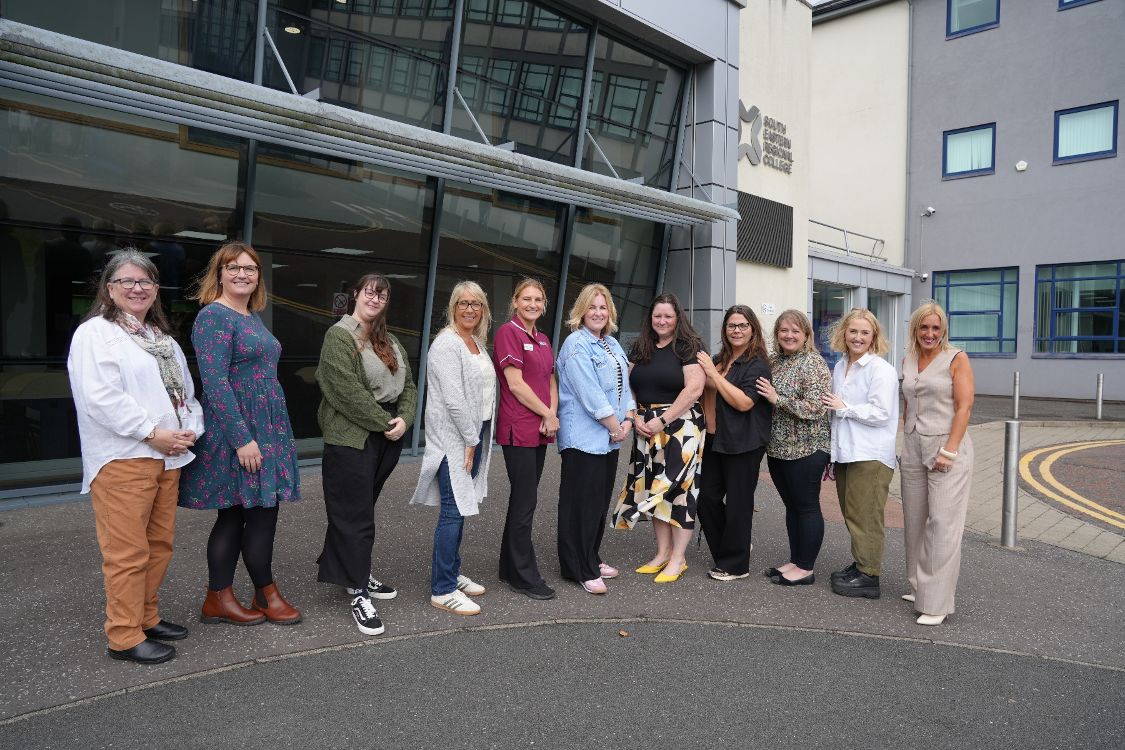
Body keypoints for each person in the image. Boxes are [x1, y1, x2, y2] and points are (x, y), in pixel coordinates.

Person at [68, 249, 204, 664]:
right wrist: (152, 433)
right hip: (124, 458)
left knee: (158, 545)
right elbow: (100, 398)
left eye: (145, 281)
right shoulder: (95, 333)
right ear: (108, 289)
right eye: (126, 281)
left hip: (167, 458)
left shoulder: (159, 340)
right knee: (127, 553)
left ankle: (146, 615)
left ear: (156, 289)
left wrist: (189, 430)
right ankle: (124, 635)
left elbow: (187, 396)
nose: (137, 288)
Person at [180, 242, 301, 626]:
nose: (242, 274)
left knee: (242, 515)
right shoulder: (214, 317)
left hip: (266, 428)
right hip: (241, 433)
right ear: (219, 274)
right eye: (233, 268)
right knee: (252, 515)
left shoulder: (249, 316)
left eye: (250, 269)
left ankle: (221, 598)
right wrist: (242, 438)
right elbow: (214, 385)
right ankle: (262, 595)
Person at [315, 273, 417, 636]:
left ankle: (352, 571)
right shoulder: (338, 336)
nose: (376, 299)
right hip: (352, 438)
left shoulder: (389, 340)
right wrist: (385, 421)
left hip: (386, 437)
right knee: (354, 516)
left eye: (383, 295)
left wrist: (404, 417)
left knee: (358, 510)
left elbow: (408, 385)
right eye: (370, 292)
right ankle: (358, 591)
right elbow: (345, 391)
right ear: (355, 294)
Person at [410, 281, 494, 616]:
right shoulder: (446, 345)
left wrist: (478, 437)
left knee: (460, 506)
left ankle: (452, 572)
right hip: (454, 440)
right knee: (452, 510)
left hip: (474, 434)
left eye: (476, 303)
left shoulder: (474, 341)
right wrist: (471, 440)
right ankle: (442, 589)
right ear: (453, 307)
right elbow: (455, 401)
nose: (470, 309)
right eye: (463, 303)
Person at [613, 292, 705, 584]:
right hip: (645, 426)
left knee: (679, 491)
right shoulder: (640, 347)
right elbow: (627, 386)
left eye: (667, 316)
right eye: (657, 316)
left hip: (681, 427)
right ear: (650, 318)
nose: (662, 321)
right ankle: (662, 553)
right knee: (654, 489)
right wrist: (636, 417)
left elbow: (693, 390)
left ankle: (678, 558)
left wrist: (663, 420)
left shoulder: (688, 346)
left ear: (677, 317)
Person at [555, 284, 635, 594]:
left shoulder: (612, 344)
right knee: (580, 504)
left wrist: (628, 418)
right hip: (584, 439)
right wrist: (617, 426)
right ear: (581, 312)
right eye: (592, 307)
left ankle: (591, 555)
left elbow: (625, 387)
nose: (598, 313)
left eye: (603, 308)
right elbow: (590, 395)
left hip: (609, 437)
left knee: (598, 502)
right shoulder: (576, 345)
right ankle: (579, 567)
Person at [900, 302, 975, 626]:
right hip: (914, 444)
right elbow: (908, 402)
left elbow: (965, 407)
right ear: (915, 329)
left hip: (947, 444)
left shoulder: (956, 358)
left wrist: (950, 450)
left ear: (943, 330)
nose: (929, 333)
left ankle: (937, 602)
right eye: (924, 327)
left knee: (942, 524)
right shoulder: (909, 359)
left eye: (935, 328)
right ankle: (920, 586)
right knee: (915, 520)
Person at [821, 308, 899, 599]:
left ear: (874, 337)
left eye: (864, 332)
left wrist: (845, 408)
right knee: (852, 512)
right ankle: (861, 563)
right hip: (847, 451)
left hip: (871, 454)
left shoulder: (881, 370)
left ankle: (869, 576)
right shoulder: (841, 366)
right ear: (844, 333)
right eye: (853, 331)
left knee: (867, 515)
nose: (858, 337)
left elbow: (881, 413)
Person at [493, 279, 559, 600]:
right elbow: (516, 385)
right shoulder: (509, 333)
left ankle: (508, 567)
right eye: (527, 299)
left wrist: (551, 413)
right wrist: (547, 413)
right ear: (515, 302)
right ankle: (524, 575)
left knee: (523, 499)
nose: (532, 304)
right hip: (518, 428)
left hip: (540, 429)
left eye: (538, 299)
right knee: (525, 501)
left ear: (544, 304)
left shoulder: (544, 340)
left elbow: (550, 380)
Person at [755, 310, 832, 585]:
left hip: (808, 449)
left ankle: (806, 568)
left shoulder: (813, 363)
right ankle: (795, 560)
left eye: (795, 331)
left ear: (806, 336)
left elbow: (816, 407)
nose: (789, 335)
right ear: (776, 334)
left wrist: (778, 399)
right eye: (784, 331)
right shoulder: (774, 361)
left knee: (806, 506)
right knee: (792, 506)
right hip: (777, 449)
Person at [695, 305, 772, 581]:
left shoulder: (757, 363)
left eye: (742, 325)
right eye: (731, 326)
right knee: (705, 499)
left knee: (739, 503)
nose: (736, 330)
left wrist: (714, 375)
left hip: (744, 442)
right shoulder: (719, 359)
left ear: (753, 329)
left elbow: (744, 402)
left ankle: (736, 565)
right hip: (714, 441)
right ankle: (733, 547)